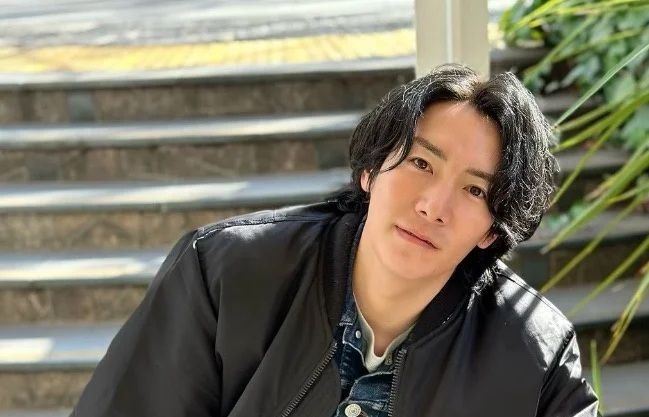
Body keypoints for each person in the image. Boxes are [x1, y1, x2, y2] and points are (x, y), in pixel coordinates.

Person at [71, 64, 600, 417]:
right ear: (371, 171)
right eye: (420, 163)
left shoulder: (535, 355)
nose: (433, 206)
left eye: (474, 190)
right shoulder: (224, 273)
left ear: (492, 229)